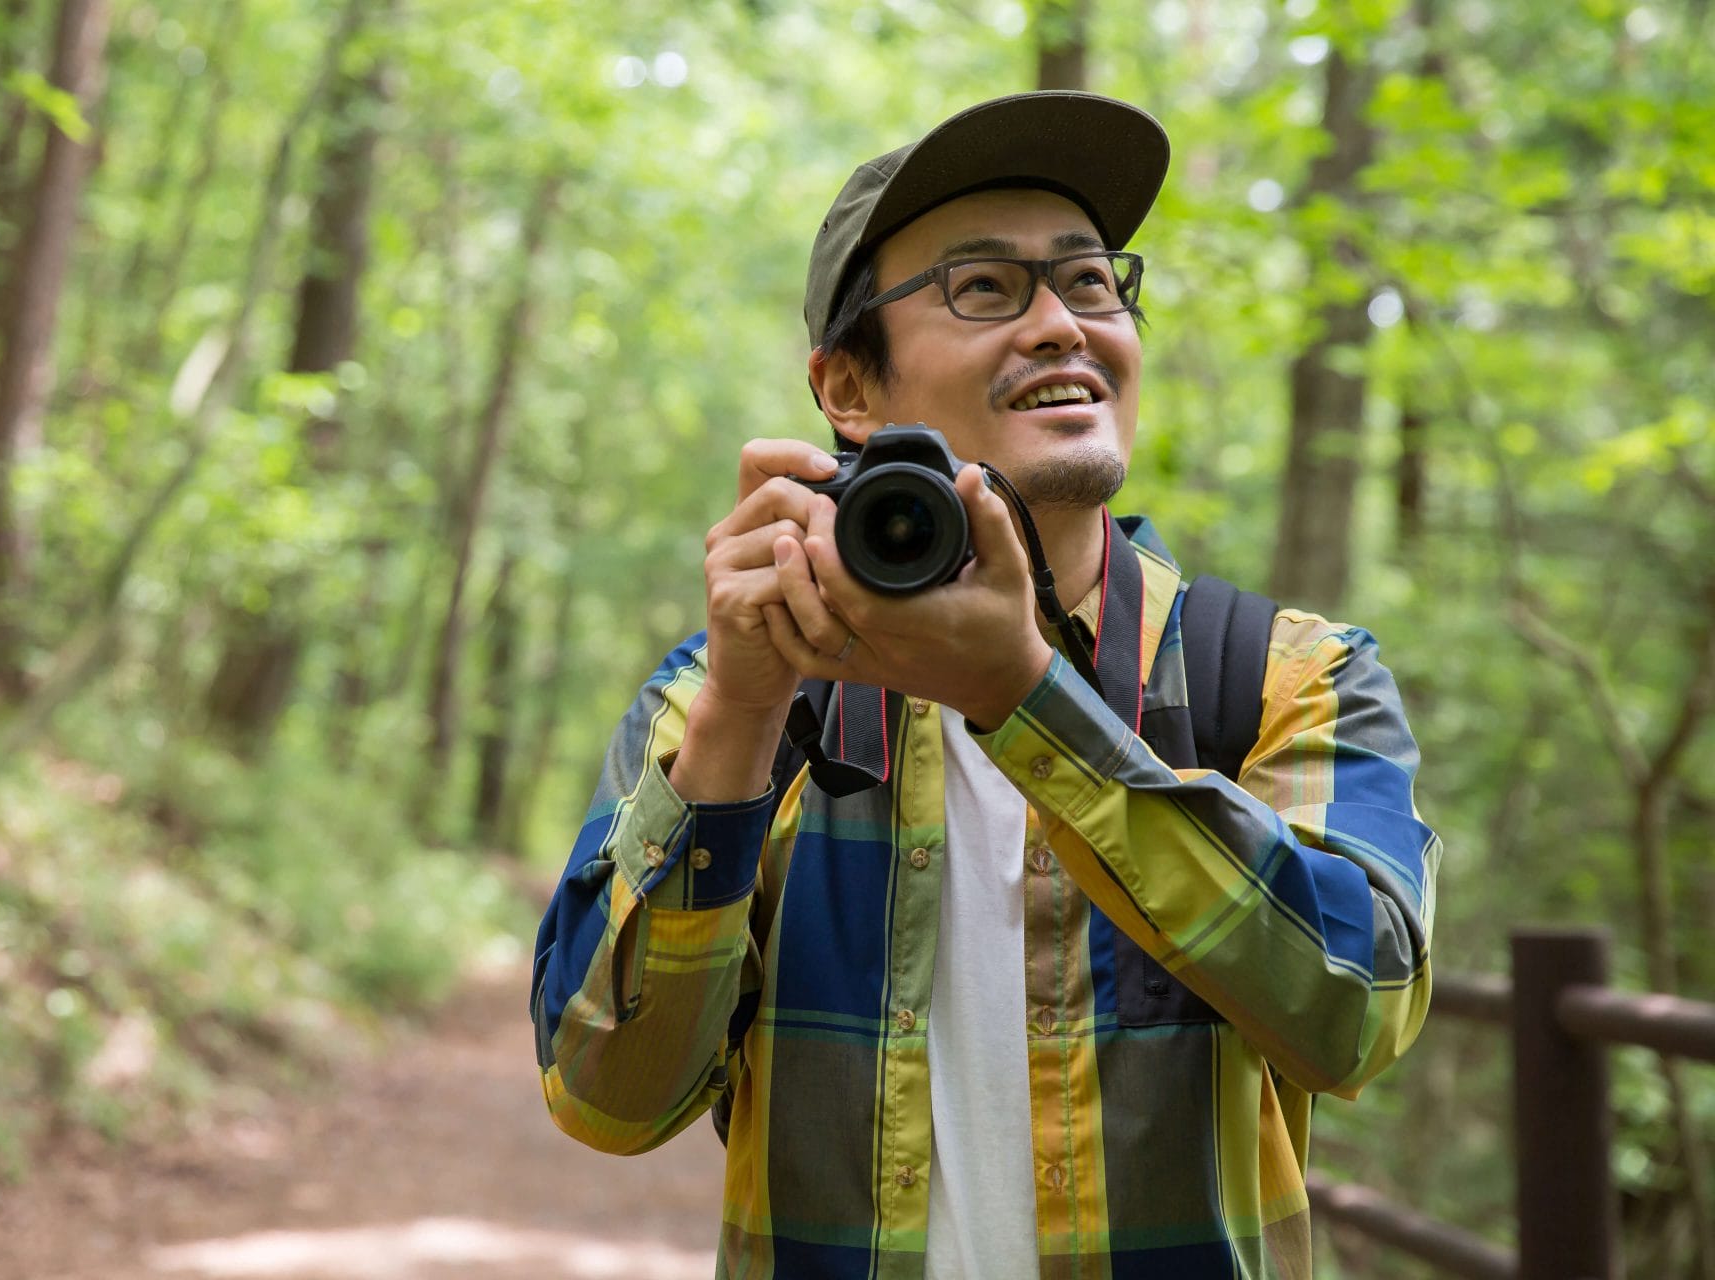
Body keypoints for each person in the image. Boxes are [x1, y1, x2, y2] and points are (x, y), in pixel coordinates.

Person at [530, 90, 1438, 1280]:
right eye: (985, 289)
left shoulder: (1280, 675)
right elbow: (607, 1096)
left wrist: (1025, 698)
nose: (1063, 323)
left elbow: (1359, 1007)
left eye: (1092, 281)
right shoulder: (733, 699)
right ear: (852, 389)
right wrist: (741, 720)